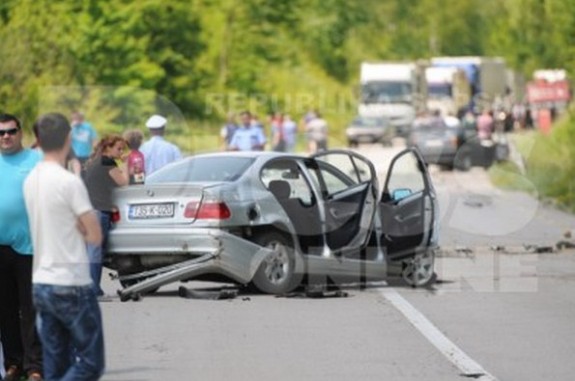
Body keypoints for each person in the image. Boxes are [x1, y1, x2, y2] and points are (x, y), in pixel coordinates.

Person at [23, 112, 105, 381]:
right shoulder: (69, 182)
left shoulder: (31, 179)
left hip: (42, 281)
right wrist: (78, 226)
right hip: (71, 282)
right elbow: (94, 234)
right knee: (90, 363)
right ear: (69, 138)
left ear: (37, 140)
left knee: (55, 364)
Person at [0, 113, 44, 381]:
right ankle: (13, 364)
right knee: (4, 310)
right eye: (0, 133)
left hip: (29, 246)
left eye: (11, 131)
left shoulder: (36, 161)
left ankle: (35, 366)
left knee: (31, 310)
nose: (5, 136)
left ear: (20, 132)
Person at [83, 135, 129, 297]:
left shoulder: (94, 162)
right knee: (95, 252)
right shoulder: (108, 162)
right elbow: (124, 182)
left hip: (89, 210)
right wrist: (125, 164)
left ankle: (91, 287)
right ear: (108, 148)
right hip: (98, 212)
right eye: (119, 148)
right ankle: (92, 289)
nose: (122, 151)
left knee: (92, 251)